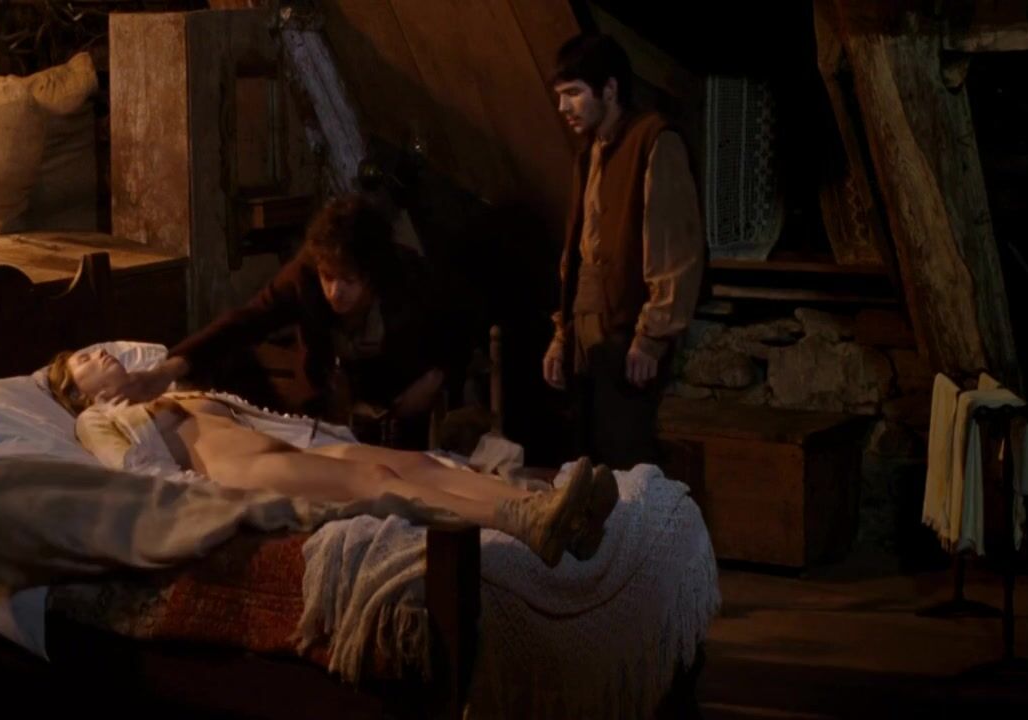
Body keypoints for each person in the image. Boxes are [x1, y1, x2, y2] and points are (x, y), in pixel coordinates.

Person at [47, 347, 619, 568]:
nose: (101, 354)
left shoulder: (168, 392)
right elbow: (135, 471)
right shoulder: (98, 420)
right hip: (245, 470)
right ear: (79, 392)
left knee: (417, 464)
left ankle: (546, 505)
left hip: (295, 445)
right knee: (377, 479)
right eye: (85, 361)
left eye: (99, 350)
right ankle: (521, 520)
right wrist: (206, 505)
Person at [104, 193, 462, 449]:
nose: (335, 292)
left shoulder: (406, 279)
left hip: (399, 395)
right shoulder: (305, 276)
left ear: (371, 276)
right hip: (327, 405)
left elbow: (458, 328)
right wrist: (165, 370)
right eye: (328, 277)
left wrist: (433, 378)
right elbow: (245, 321)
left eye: (348, 280)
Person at [542, 34, 706, 470]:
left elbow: (674, 248)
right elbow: (576, 254)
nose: (564, 107)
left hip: (624, 330)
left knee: (626, 465)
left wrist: (652, 337)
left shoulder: (654, 141)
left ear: (610, 89)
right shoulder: (589, 155)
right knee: (585, 463)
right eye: (560, 95)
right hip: (587, 329)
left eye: (574, 93)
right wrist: (562, 336)